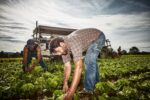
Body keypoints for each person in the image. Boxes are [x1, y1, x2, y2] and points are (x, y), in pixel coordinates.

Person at [49, 28, 106, 100]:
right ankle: (97, 83)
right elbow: (67, 66)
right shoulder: (64, 49)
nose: (59, 54)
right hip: (91, 41)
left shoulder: (73, 41)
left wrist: (70, 93)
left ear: (62, 44)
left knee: (89, 60)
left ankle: (89, 89)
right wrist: (65, 83)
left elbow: (78, 68)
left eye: (58, 51)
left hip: (98, 36)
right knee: (91, 61)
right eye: (57, 53)